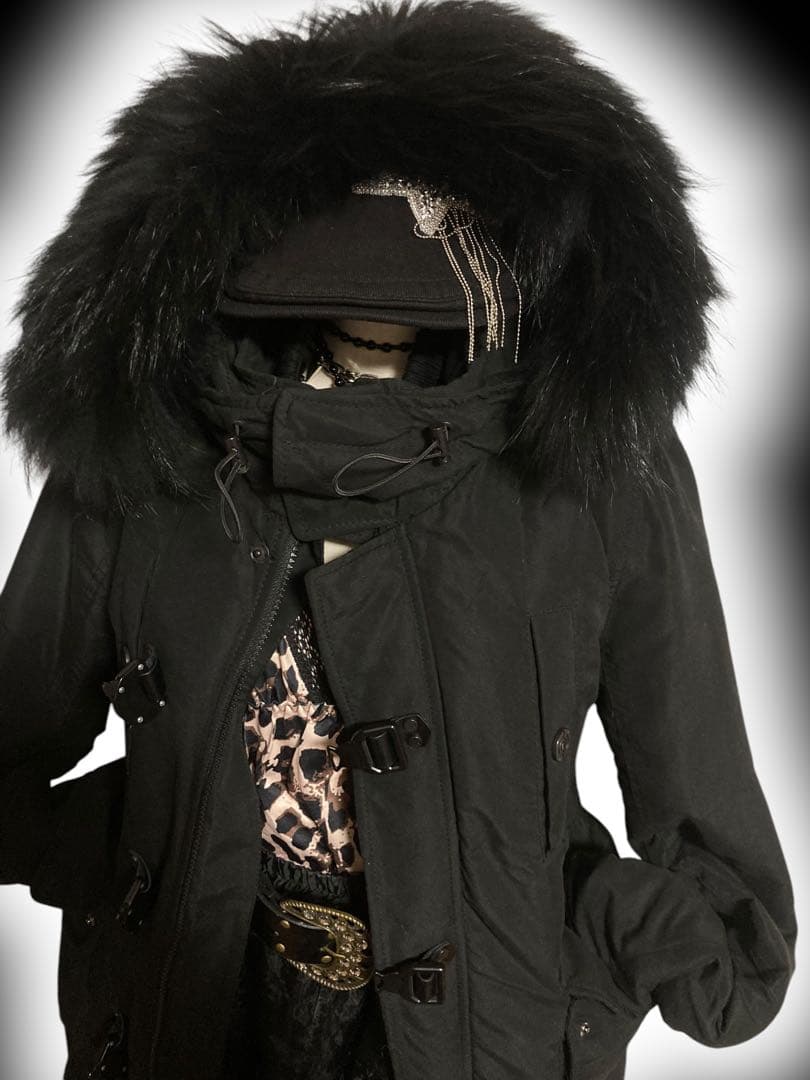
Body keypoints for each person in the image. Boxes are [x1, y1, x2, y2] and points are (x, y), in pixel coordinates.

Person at [0, 2, 797, 1079]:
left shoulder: (593, 456)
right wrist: (142, 834)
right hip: (190, 1005)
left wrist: (598, 918)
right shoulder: (148, 436)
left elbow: (697, 783)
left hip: (493, 1018)